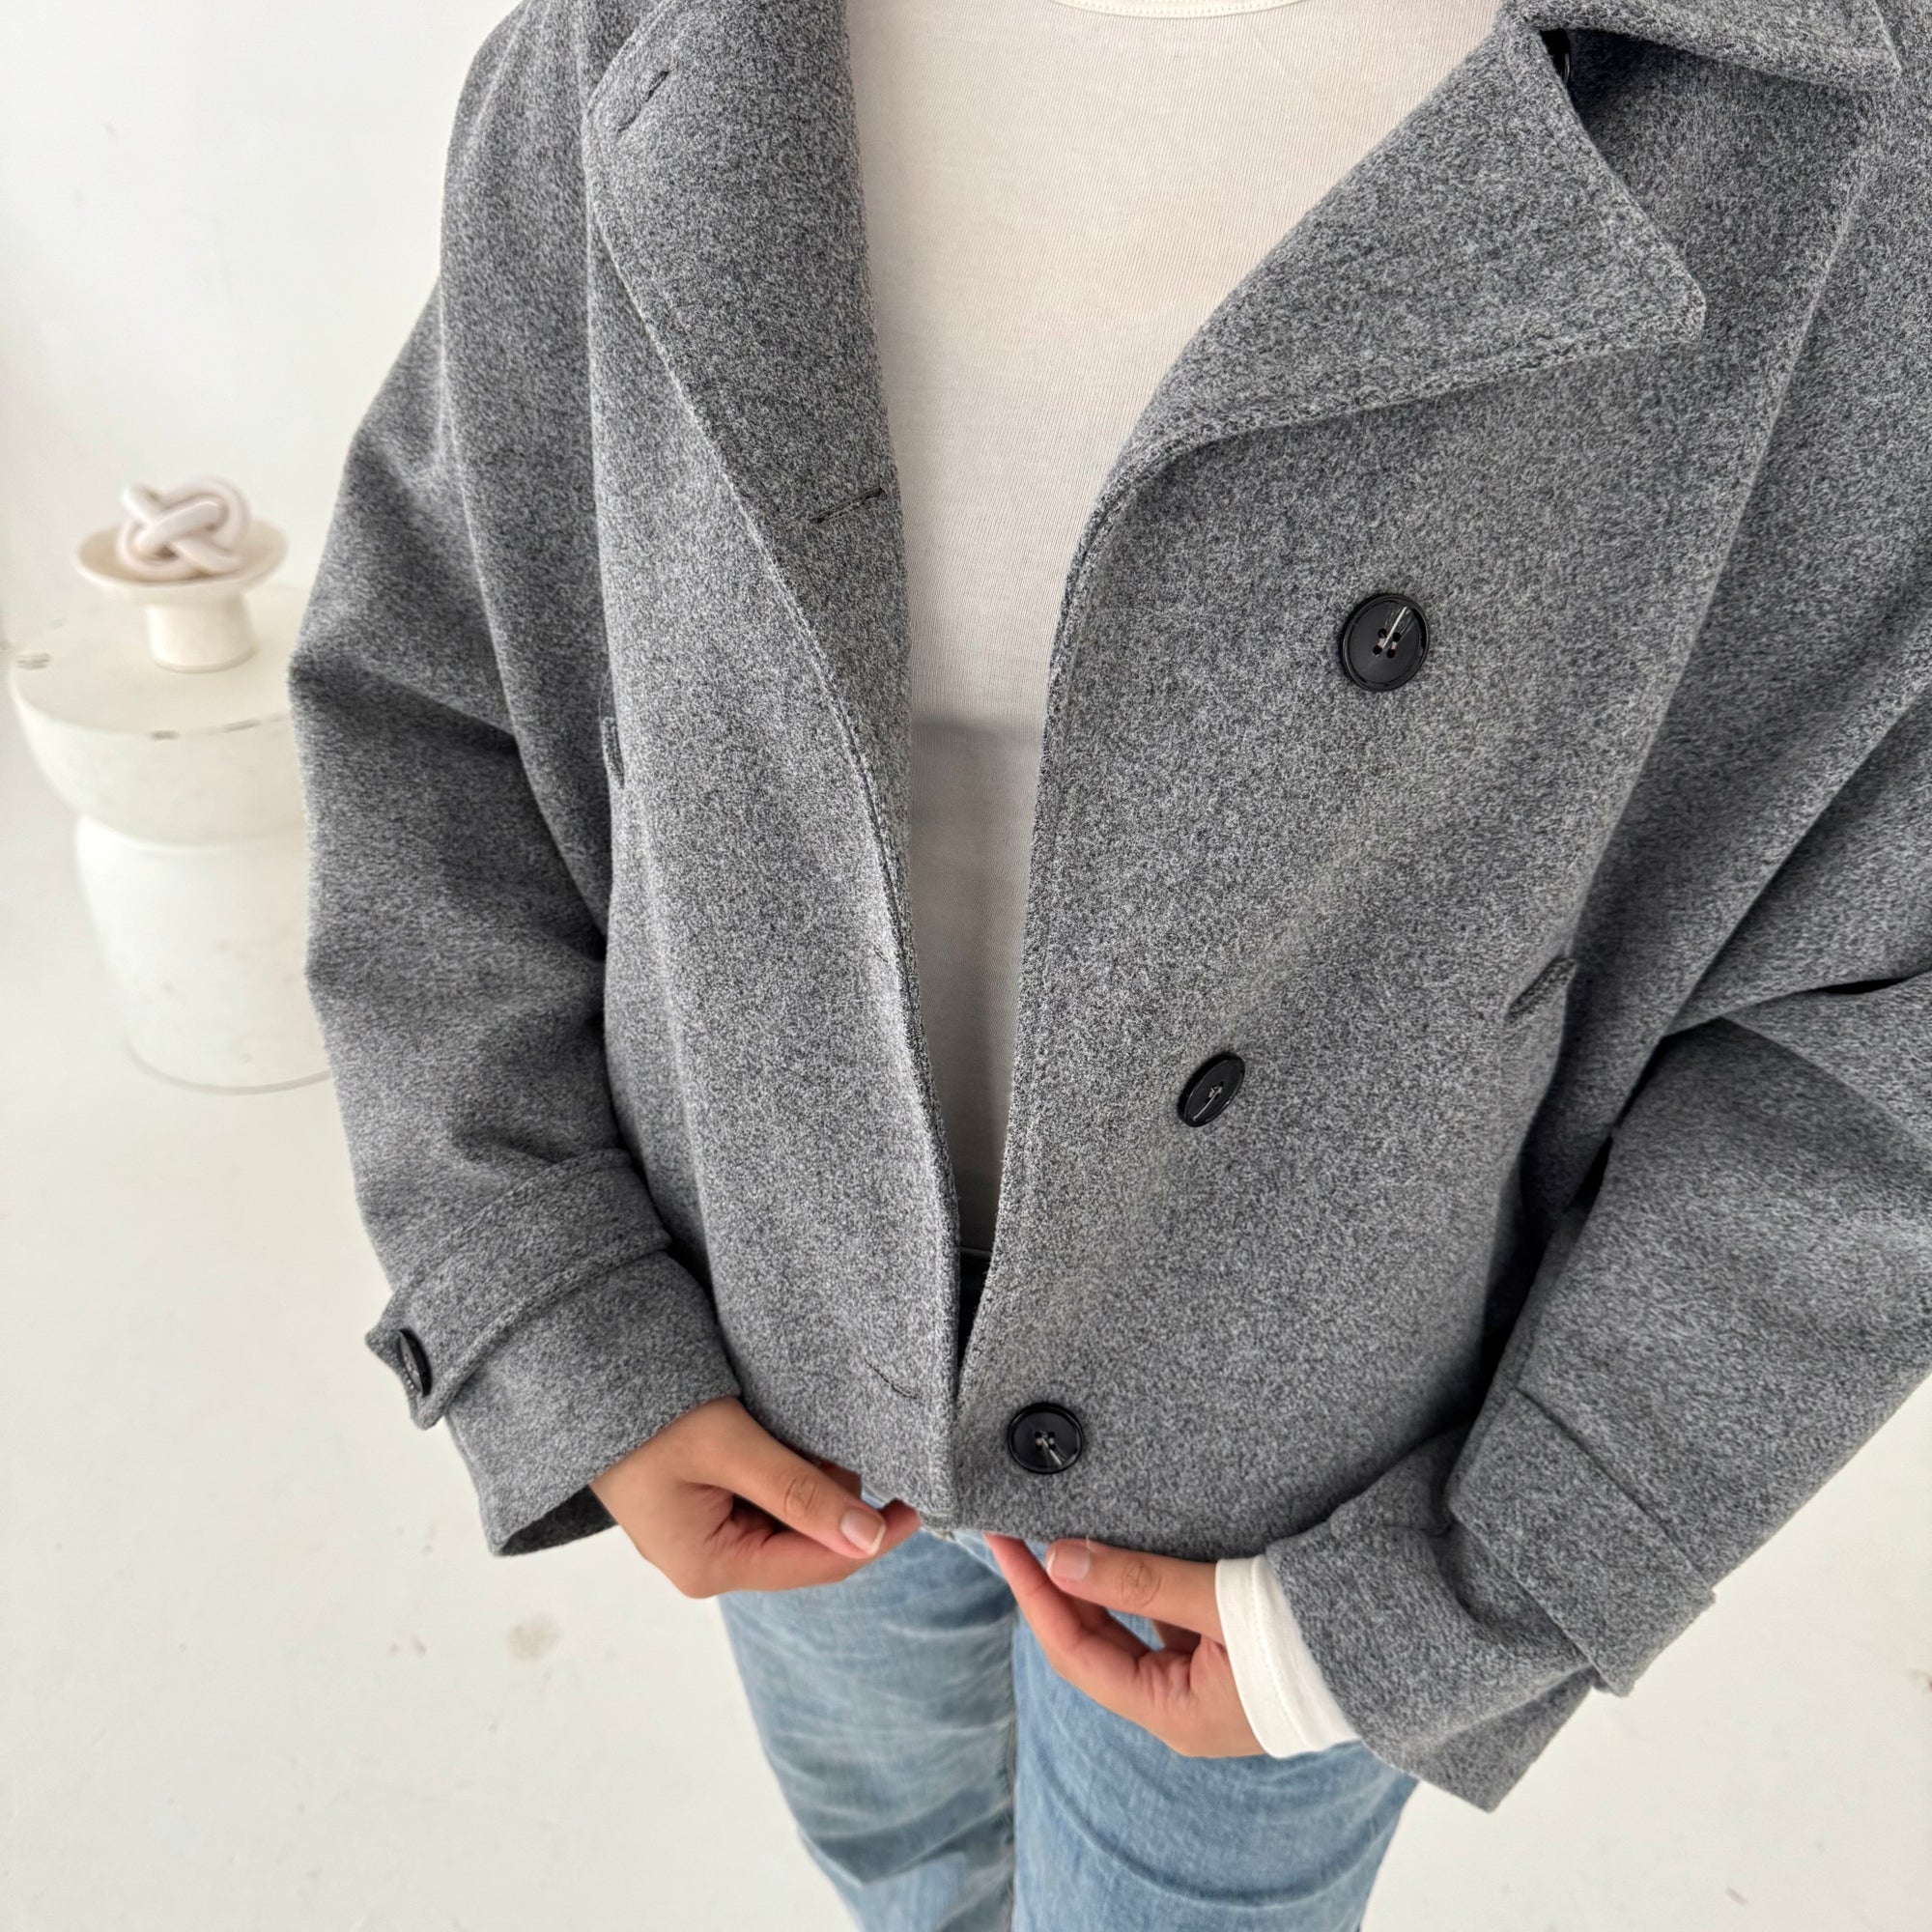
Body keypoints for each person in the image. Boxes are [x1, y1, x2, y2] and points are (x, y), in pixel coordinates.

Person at [288, 0, 1932, 1925]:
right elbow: (443, 676)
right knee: (901, 1862)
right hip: (763, 1360)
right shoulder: (647, 38)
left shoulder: (1826, 121)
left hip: (1302, 1493)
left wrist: (1483, 1580)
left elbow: (1878, 1000)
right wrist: (558, 1305)